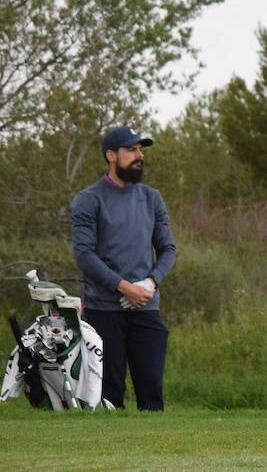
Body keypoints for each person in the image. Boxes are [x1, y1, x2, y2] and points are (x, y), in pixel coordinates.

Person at [70, 126, 177, 411]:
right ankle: (107, 454)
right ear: (111, 156)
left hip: (146, 307)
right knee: (109, 395)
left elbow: (168, 249)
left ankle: (156, 453)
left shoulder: (152, 198)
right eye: (131, 150)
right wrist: (124, 287)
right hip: (104, 311)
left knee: (152, 392)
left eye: (140, 150)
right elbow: (84, 255)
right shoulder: (89, 199)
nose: (139, 155)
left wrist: (150, 283)